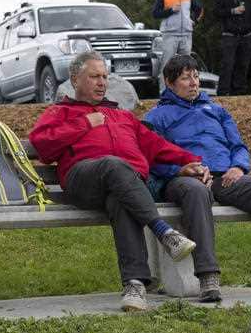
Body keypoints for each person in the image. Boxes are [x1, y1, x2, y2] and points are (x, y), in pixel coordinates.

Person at [29, 51, 202, 312]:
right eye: (94, 77)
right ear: (75, 79)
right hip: (83, 180)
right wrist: (84, 123)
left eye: (104, 77)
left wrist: (189, 160)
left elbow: (155, 144)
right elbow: (42, 145)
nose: (101, 83)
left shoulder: (121, 116)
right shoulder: (61, 111)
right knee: (113, 164)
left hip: (125, 186)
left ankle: (135, 286)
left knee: (122, 200)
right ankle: (163, 232)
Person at [145, 54, 251, 302]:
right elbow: (150, 157)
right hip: (184, 179)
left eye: (195, 76)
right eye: (185, 78)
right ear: (169, 83)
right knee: (197, 191)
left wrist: (239, 167)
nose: (193, 83)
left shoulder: (217, 110)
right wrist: (181, 170)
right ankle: (208, 276)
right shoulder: (156, 117)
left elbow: (239, 146)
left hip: (225, 177)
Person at [152, 0, 204, 91]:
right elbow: (155, 13)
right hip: (169, 35)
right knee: (166, 65)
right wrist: (171, 10)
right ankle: (164, 94)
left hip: (186, 34)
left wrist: (194, 21)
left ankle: (185, 92)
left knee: (186, 65)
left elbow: (200, 9)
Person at [214, 0, 251, 96]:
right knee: (227, 64)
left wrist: (250, 27)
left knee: (243, 64)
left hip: (246, 35)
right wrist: (232, 11)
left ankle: (240, 92)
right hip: (229, 35)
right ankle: (223, 92)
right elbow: (216, 12)